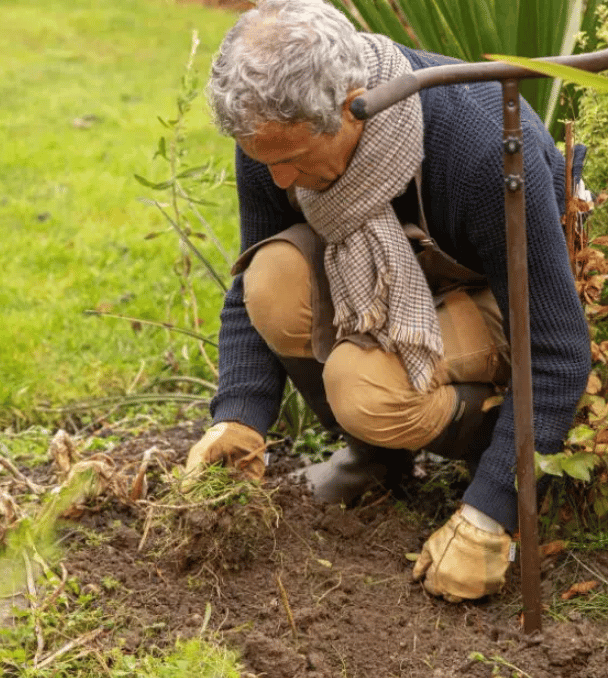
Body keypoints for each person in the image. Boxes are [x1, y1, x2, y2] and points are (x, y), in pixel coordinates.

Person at [185, 0, 591, 602]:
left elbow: (558, 352)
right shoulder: (273, 140)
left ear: (354, 104)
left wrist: (493, 515)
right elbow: (250, 291)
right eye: (263, 159)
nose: (277, 180)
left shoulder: (482, 148)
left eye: (290, 158)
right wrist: (237, 417)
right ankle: (378, 460)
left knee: (363, 386)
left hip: (498, 307)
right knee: (270, 281)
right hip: (395, 298)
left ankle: (490, 457)